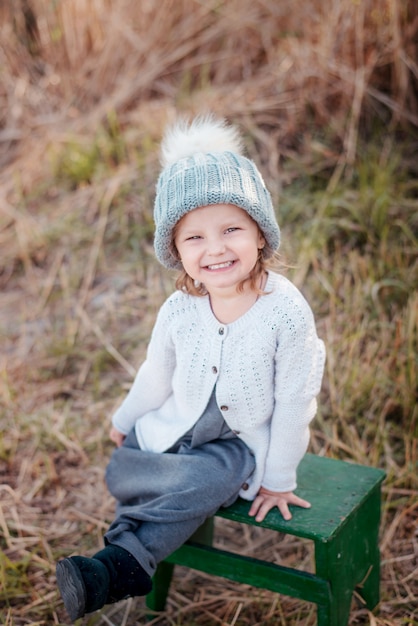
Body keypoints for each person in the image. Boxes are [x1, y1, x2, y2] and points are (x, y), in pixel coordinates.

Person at [56, 114, 326, 622]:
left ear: (261, 234)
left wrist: (279, 477)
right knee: (127, 462)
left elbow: (294, 400)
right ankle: (121, 565)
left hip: (233, 444)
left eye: (231, 229)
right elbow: (155, 374)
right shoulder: (180, 309)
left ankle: (114, 566)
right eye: (194, 238)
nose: (216, 248)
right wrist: (123, 417)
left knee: (205, 483)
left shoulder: (285, 311)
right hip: (175, 425)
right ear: (177, 252)